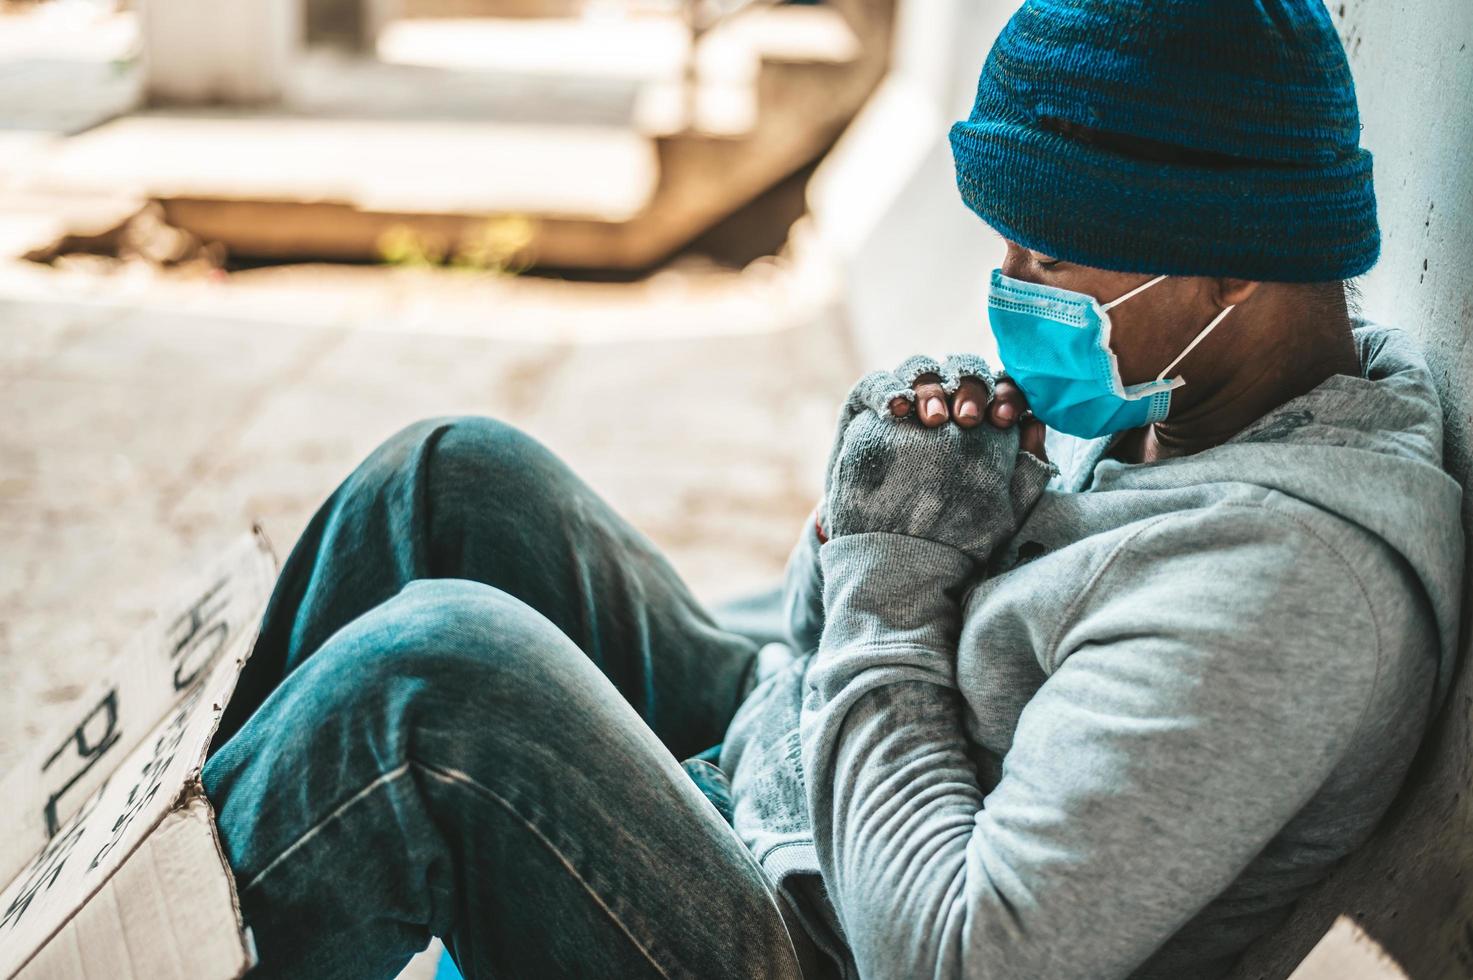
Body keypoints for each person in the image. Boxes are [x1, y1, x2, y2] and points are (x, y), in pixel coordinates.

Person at [201, 1, 1465, 978]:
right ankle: (169, 890)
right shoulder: (1194, 392)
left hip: (828, 938)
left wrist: (889, 581)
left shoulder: (1289, 596)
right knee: (452, 477)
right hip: (795, 787)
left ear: (1233, 272)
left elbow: (954, 947)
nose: (1012, 277)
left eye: (1051, 249)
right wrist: (896, 502)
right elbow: (854, 636)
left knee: (435, 687)